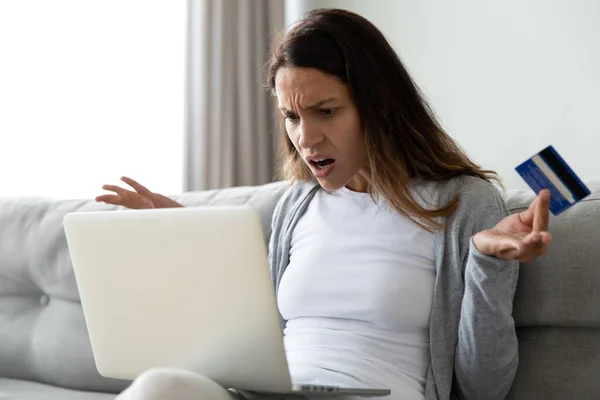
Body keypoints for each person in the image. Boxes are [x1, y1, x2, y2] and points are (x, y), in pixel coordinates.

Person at [98, 8, 552, 400]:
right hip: (273, 392)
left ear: (379, 105)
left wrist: (487, 265)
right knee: (161, 385)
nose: (305, 138)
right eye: (291, 116)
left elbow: (485, 387)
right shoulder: (297, 204)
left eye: (327, 111)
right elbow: (252, 340)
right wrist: (193, 238)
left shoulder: (462, 203)